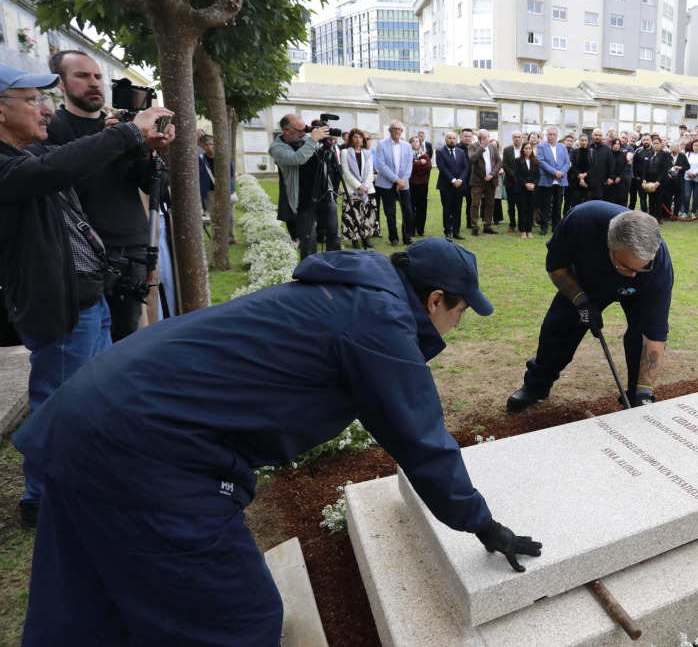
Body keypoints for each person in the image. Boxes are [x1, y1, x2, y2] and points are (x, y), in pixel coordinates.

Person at [15, 240, 542, 644]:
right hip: (145, 453)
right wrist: (483, 523)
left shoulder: (346, 293)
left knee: (81, 610)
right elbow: (422, 439)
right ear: (434, 300)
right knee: (240, 620)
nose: (455, 327)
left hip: (87, 418)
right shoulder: (379, 323)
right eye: (459, 312)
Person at [0, 63, 174, 528]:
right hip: (59, 304)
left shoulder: (27, 155)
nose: (45, 108)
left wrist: (137, 148)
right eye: (33, 100)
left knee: (90, 396)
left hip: (87, 295)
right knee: (59, 400)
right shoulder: (10, 165)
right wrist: (126, 136)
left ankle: (86, 479)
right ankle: (42, 500)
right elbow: (60, 167)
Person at [43, 52, 163, 342]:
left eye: (97, 76)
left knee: (129, 342)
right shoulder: (52, 129)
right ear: (61, 83)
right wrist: (108, 143)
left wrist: (144, 151)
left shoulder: (124, 126)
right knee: (87, 345)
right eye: (82, 76)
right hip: (81, 256)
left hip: (133, 247)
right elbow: (62, 190)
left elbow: (157, 188)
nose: (93, 83)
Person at [506, 204, 672, 413]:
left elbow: (654, 335)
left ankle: (636, 397)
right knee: (558, 328)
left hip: (640, 292)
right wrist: (580, 300)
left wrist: (645, 394)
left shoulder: (658, 267)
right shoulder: (581, 221)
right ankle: (536, 386)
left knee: (640, 337)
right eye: (626, 267)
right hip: (586, 280)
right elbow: (556, 267)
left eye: (641, 267)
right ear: (609, 244)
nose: (632, 274)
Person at [270, 114, 334, 258]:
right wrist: (313, 140)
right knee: (308, 240)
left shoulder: (306, 139)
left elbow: (324, 159)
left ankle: (335, 268)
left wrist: (326, 145)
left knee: (333, 235)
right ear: (286, 130)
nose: (304, 133)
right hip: (303, 200)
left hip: (324, 194)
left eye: (305, 129)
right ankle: (310, 273)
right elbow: (297, 159)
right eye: (300, 130)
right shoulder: (277, 148)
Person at [375, 121, 415, 246]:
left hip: (403, 184)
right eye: (395, 129)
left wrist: (403, 180)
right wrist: (396, 180)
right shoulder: (381, 144)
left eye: (400, 129)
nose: (397, 131)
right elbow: (381, 166)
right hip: (386, 184)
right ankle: (394, 238)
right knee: (390, 212)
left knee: (407, 211)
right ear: (390, 130)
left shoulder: (407, 146)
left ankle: (407, 237)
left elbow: (409, 165)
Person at [339, 128, 378, 249]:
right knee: (352, 215)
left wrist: (365, 186)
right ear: (351, 139)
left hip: (367, 190)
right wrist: (359, 186)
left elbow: (371, 172)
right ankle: (354, 239)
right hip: (352, 190)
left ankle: (366, 239)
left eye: (360, 137)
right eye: (355, 137)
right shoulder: (345, 152)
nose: (358, 139)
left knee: (366, 215)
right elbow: (346, 172)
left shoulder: (368, 153)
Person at [536, 127, 571, 235]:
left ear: (557, 135)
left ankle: (556, 227)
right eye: (550, 134)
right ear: (547, 135)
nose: (552, 136)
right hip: (547, 179)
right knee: (545, 205)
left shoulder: (562, 147)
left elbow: (567, 162)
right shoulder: (541, 146)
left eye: (554, 134)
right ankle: (544, 226)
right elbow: (541, 161)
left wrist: (561, 172)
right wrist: (554, 172)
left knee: (558, 204)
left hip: (560, 180)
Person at [435, 132, 469, 240]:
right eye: (449, 138)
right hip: (446, 186)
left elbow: (465, 167)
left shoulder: (461, 152)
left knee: (457, 209)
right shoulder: (440, 152)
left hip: (459, 186)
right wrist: (453, 180)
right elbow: (442, 168)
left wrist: (460, 180)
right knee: (447, 209)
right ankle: (448, 232)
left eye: (454, 138)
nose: (452, 140)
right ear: (445, 139)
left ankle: (456, 231)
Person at [468, 131, 502, 236]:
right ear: (479, 138)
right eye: (484, 138)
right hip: (477, 181)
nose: (486, 139)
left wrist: (492, 174)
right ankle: (474, 227)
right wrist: (482, 147)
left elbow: (499, 162)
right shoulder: (472, 146)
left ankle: (487, 226)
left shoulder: (493, 147)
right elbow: (472, 158)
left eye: (487, 137)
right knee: (475, 204)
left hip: (490, 181)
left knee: (490, 204)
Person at [511, 140, 539, 238]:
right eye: (526, 148)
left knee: (530, 210)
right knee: (522, 210)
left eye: (529, 148)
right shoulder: (518, 161)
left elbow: (537, 175)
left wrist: (533, 184)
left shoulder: (535, 161)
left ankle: (529, 230)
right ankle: (522, 230)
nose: (528, 150)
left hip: (533, 190)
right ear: (522, 150)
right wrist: (525, 184)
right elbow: (517, 175)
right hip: (521, 189)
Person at [644, 136, 675, 225]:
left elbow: (665, 170)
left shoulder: (665, 154)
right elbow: (645, 168)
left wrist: (658, 181)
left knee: (659, 200)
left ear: (661, 144)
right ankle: (650, 218)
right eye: (654, 143)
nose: (655, 145)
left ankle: (657, 219)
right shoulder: (649, 154)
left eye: (657, 143)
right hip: (650, 181)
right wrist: (644, 179)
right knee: (651, 200)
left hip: (660, 182)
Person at [409, 134, 433, 239]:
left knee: (422, 208)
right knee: (411, 207)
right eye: (413, 141)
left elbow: (427, 167)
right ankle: (411, 229)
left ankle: (420, 230)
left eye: (417, 141)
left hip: (422, 184)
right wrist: (419, 163)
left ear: (420, 143)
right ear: (410, 143)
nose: (415, 143)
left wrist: (416, 166)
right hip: (411, 183)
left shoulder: (424, 155)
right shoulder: (408, 154)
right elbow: (409, 168)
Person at [501, 130, 524, 232]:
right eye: (515, 137)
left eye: (519, 137)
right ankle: (512, 224)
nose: (517, 139)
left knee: (521, 205)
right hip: (510, 182)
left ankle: (521, 224)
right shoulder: (507, 150)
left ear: (522, 138)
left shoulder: (525, 149)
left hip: (522, 183)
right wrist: (514, 175)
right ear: (512, 138)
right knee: (511, 206)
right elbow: (504, 165)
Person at [584, 128, 614, 202]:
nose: (598, 137)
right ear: (592, 135)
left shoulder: (606, 149)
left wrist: (611, 178)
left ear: (602, 136)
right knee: (587, 203)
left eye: (600, 135)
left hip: (601, 182)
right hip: (587, 182)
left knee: (600, 203)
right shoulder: (586, 147)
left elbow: (611, 164)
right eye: (596, 135)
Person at [682, 138, 698, 218]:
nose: (696, 147)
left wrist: (694, 174)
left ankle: (693, 212)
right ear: (692, 146)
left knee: (696, 196)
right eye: (694, 145)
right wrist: (690, 174)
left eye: (697, 145)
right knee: (687, 195)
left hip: (697, 179)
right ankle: (686, 212)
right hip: (687, 178)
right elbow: (685, 165)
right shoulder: (688, 154)